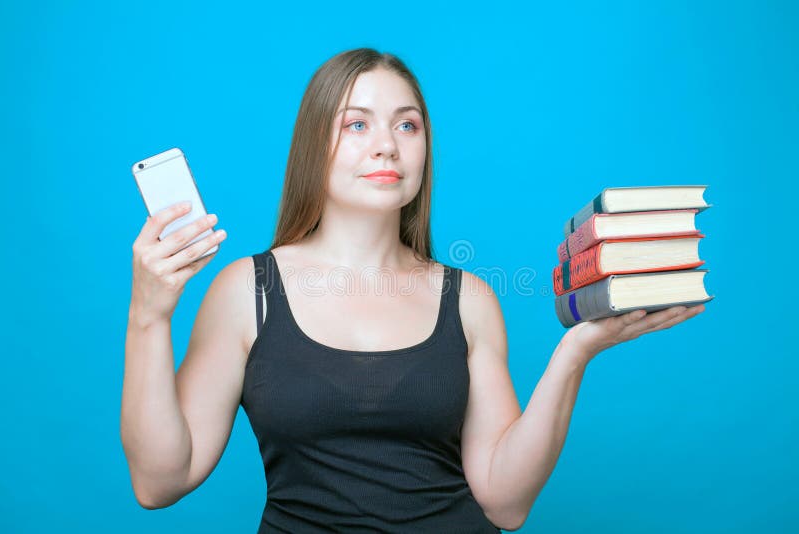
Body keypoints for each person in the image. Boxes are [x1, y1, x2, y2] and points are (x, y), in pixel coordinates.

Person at [120, 48, 705, 533]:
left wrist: (575, 352)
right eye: (357, 124)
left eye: (407, 124)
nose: (387, 145)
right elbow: (159, 482)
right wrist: (149, 315)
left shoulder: (470, 298)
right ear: (311, 146)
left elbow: (506, 503)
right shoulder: (246, 292)